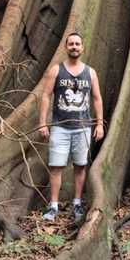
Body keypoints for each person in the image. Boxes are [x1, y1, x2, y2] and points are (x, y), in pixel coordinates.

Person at [38, 32, 104, 221]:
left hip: (83, 127)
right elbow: (45, 96)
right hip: (60, 127)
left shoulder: (90, 72)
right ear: (66, 47)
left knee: (80, 166)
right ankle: (53, 206)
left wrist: (99, 124)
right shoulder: (56, 71)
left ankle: (76, 204)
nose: (74, 47)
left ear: (82, 48)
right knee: (56, 167)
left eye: (77, 44)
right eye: (71, 44)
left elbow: (97, 98)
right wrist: (42, 123)